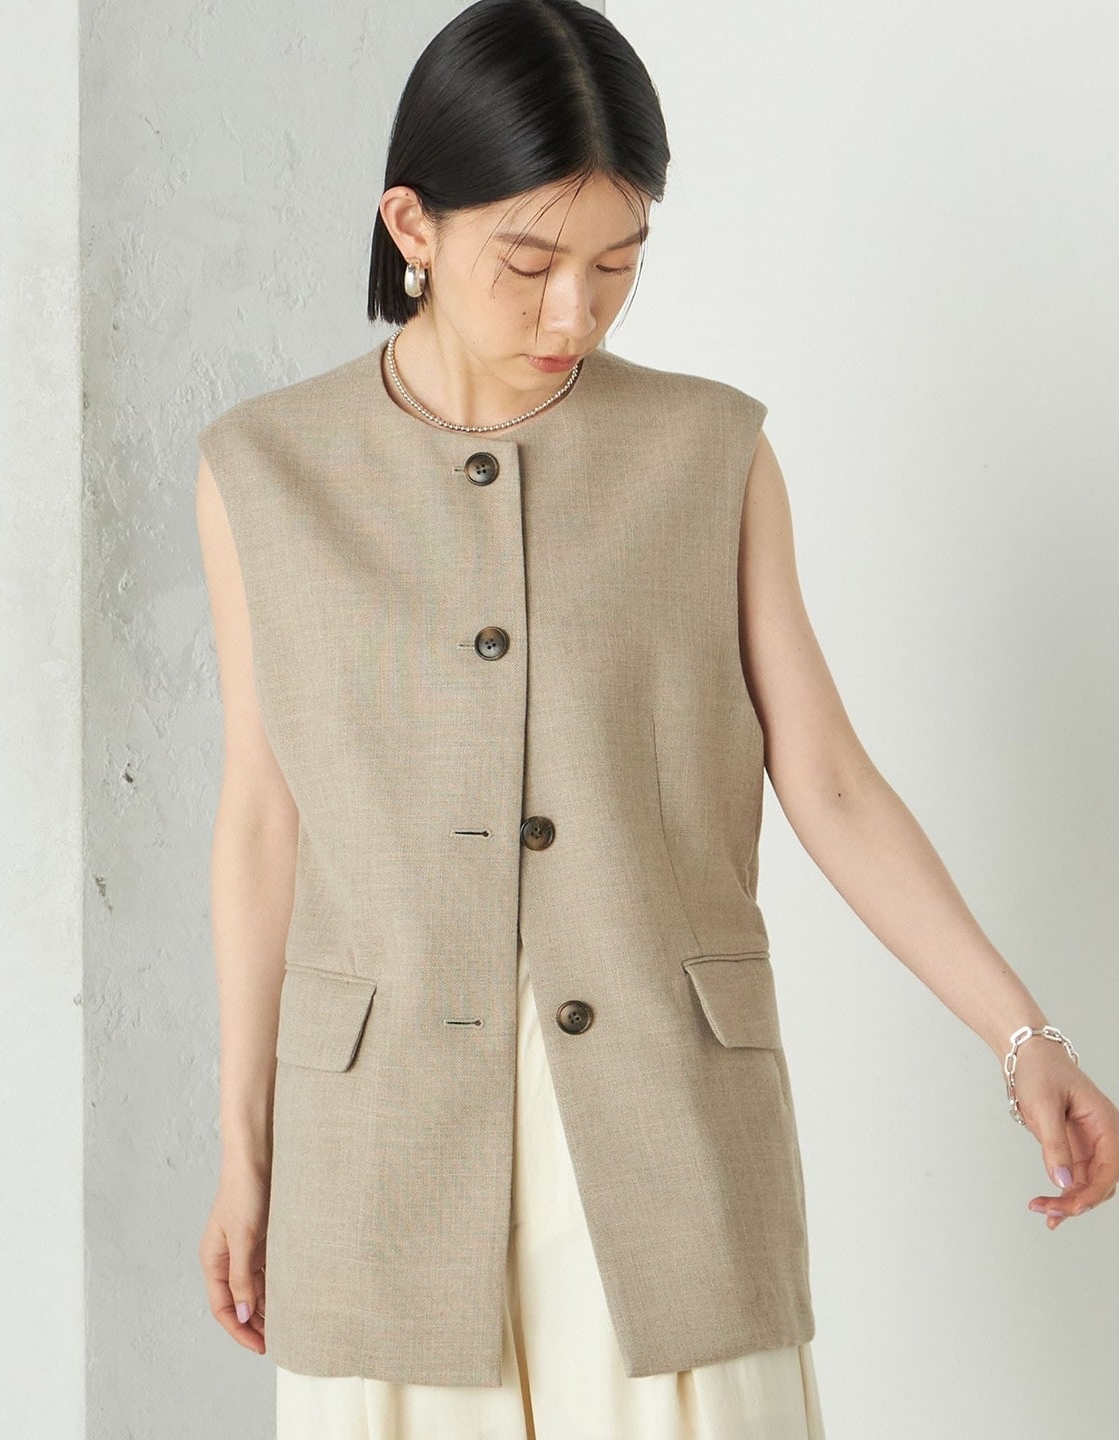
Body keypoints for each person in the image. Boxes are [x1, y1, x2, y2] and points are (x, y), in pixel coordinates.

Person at [194, 2, 1119, 1436]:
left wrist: (1022, 1034)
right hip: (382, 1161)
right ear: (412, 225)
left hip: (665, 1135)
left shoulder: (709, 453)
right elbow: (263, 817)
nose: (575, 314)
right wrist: (245, 1150)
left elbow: (829, 780)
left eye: (617, 263)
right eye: (530, 264)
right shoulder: (265, 471)